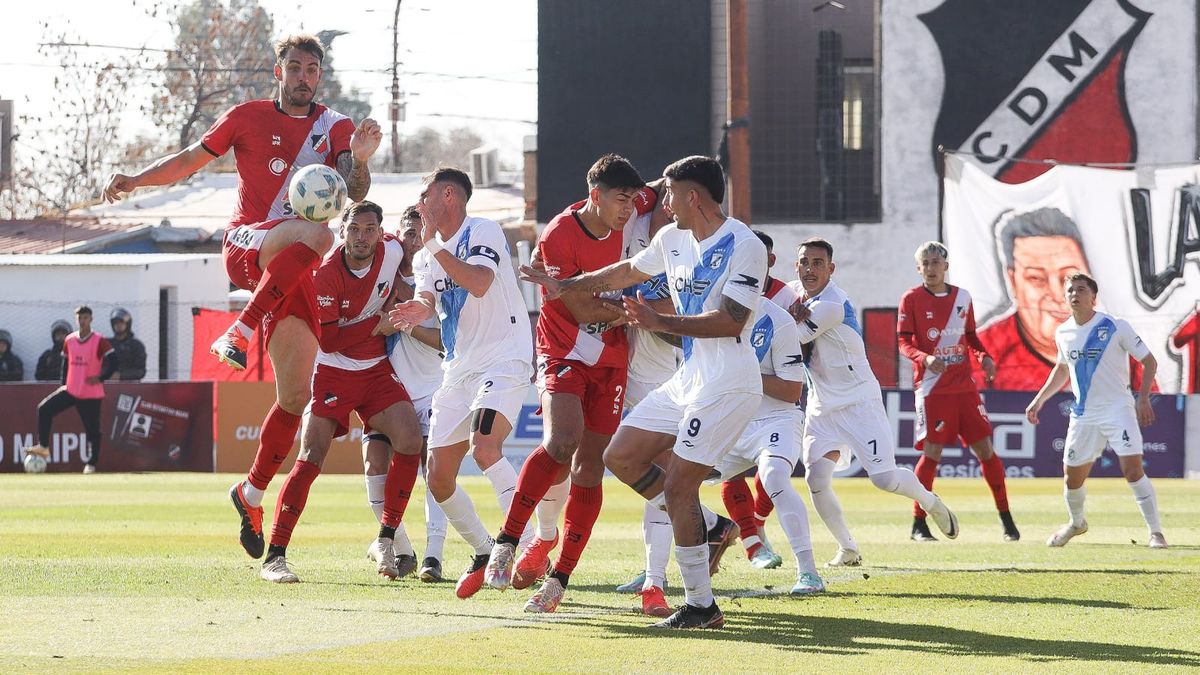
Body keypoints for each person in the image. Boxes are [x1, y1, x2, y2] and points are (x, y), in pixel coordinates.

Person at [102, 34, 382, 559]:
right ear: (278, 71)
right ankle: (242, 327)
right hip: (249, 244)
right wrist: (136, 180)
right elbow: (191, 158)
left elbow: (353, 189)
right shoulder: (246, 116)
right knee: (321, 234)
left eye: (312, 70)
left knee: (297, 397)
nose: (303, 76)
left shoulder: (335, 126)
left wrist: (360, 159)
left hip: (292, 271)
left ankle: (250, 492)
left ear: (319, 76)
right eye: (294, 67)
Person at [521, 155, 767, 630]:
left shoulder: (744, 244)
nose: (661, 202)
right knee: (621, 456)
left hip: (728, 384)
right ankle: (712, 528)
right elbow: (626, 271)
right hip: (689, 378)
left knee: (678, 486)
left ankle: (701, 605)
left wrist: (659, 321)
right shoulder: (670, 238)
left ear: (692, 196)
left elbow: (733, 319)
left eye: (670, 193)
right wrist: (564, 284)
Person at [482, 154, 646, 612]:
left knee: (591, 468)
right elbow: (582, 311)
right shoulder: (559, 234)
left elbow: (662, 185)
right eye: (620, 199)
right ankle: (507, 540)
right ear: (595, 195)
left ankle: (559, 579)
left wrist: (595, 294)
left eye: (633, 199)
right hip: (564, 349)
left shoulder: (634, 216)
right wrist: (633, 308)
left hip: (612, 360)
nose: (628, 208)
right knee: (561, 442)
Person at [388, 167, 536, 600]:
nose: (419, 202)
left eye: (424, 193)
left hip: (504, 356)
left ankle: (528, 548)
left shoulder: (483, 230)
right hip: (458, 367)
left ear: (447, 194)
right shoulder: (423, 256)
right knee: (438, 478)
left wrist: (433, 243)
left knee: (485, 446)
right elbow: (429, 297)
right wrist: (417, 310)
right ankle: (485, 548)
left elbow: (479, 282)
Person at [259, 201, 423, 583]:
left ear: (381, 233)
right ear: (343, 230)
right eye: (355, 229)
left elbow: (410, 250)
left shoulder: (393, 250)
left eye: (370, 230)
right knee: (312, 457)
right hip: (333, 372)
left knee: (410, 438)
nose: (362, 237)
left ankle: (385, 539)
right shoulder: (328, 273)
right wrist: (377, 327)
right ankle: (275, 556)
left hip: (376, 371)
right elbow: (330, 341)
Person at [790, 238, 958, 567]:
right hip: (822, 406)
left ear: (831, 269)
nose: (810, 269)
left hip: (858, 403)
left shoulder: (832, 304)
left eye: (818, 263)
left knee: (884, 479)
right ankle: (848, 547)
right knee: (816, 480)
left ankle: (929, 501)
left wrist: (779, 313)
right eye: (804, 262)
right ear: (796, 266)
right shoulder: (794, 293)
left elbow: (791, 336)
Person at [1025, 273, 1167, 549]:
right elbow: (1062, 369)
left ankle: (1156, 532)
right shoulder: (1063, 332)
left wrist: (1143, 398)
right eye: (1070, 291)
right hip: (1083, 415)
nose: (1075, 294)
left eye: (1080, 289)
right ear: (1065, 298)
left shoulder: (1114, 326)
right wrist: (1039, 400)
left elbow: (1149, 361)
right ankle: (1077, 523)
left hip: (1118, 409)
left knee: (1132, 470)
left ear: (1093, 297)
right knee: (1072, 476)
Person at [897, 241, 1019, 542]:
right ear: (918, 268)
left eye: (935, 261)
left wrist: (984, 357)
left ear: (945, 266)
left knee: (986, 450)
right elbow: (903, 341)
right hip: (932, 388)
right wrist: (924, 358)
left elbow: (970, 337)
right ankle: (918, 523)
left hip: (965, 388)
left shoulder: (962, 298)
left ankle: (1006, 520)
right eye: (925, 262)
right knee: (933, 452)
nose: (931, 267)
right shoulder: (910, 299)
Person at [708, 295, 823, 595]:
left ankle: (809, 573)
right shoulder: (708, 309)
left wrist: (746, 376)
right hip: (732, 420)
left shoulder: (778, 320)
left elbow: (790, 390)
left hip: (776, 420)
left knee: (773, 477)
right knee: (669, 474)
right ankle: (658, 574)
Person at [360, 205, 451, 582]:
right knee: (374, 466)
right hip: (387, 387)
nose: (412, 241)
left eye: (419, 233)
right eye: (407, 233)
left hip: (433, 389)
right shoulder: (381, 274)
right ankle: (401, 547)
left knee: (434, 474)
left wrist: (405, 325)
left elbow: (449, 341)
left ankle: (433, 555)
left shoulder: (442, 276)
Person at [718, 229, 799, 568]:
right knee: (708, 472)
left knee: (773, 471)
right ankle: (750, 541)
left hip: (772, 403)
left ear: (770, 262)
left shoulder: (785, 298)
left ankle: (758, 526)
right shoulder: (720, 292)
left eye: (759, 260)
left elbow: (802, 340)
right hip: (727, 398)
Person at [977, 208, 1088, 390]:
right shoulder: (982, 353)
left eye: (1069, 277)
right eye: (1036, 278)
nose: (1057, 294)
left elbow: (1148, 410)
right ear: (1012, 281)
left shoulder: (1114, 343)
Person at [25, 306, 117, 473]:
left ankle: (91, 464)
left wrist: (101, 377)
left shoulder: (99, 340)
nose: (83, 321)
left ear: (91, 319)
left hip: (90, 392)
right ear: (77, 319)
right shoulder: (70, 340)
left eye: (86, 318)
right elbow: (66, 363)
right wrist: (63, 383)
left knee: (93, 430)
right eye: (80, 318)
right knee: (44, 409)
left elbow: (114, 361)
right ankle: (44, 446)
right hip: (71, 390)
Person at [109, 308, 147, 381]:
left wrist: (121, 375)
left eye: (121, 322)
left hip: (130, 386)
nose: (118, 325)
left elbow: (140, 371)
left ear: (128, 324)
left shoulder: (136, 346)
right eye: (116, 323)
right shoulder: (107, 345)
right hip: (108, 386)